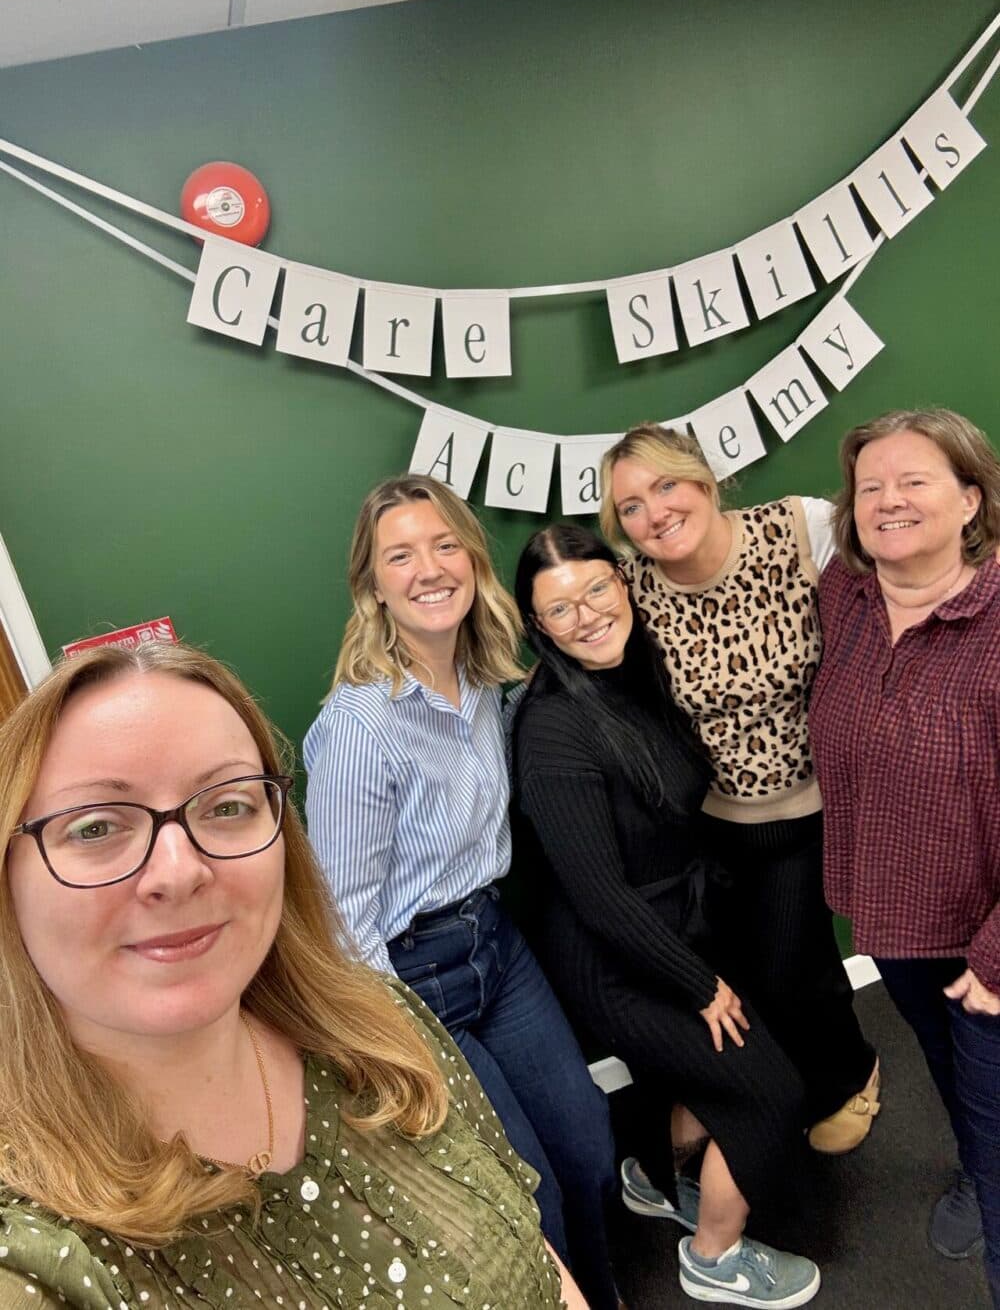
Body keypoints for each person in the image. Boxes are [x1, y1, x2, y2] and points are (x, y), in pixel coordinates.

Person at [0, 641, 585, 1310]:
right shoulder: (38, 1250)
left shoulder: (377, 1025)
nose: (179, 871)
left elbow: (522, 1238)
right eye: (98, 825)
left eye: (226, 806)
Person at [303, 474, 619, 1310]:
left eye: (445, 545)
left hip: (494, 947)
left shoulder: (486, 682)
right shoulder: (360, 729)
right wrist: (397, 1048)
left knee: (588, 1146)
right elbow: (341, 924)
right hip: (411, 976)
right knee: (526, 1187)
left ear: (473, 561)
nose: (429, 568)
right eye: (399, 555)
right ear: (373, 585)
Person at [510, 522, 821, 1308]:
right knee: (774, 1094)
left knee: (756, 1056)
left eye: (596, 590)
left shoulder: (640, 673)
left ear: (623, 584)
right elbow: (600, 897)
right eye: (560, 609)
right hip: (613, 959)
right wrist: (700, 985)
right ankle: (712, 1257)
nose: (585, 615)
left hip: (676, 927)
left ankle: (649, 1174)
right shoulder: (553, 726)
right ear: (537, 626)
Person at [599, 424, 879, 1156]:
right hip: (708, 824)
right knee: (754, 971)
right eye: (630, 506)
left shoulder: (798, 528)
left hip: (811, 806)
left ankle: (853, 1073)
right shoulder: (629, 587)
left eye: (664, 486)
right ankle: (787, 1082)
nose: (653, 514)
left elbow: (903, 563)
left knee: (795, 967)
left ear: (703, 479)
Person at [810, 407, 1000, 1305]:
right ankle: (972, 1163)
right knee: (946, 1064)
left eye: (913, 481)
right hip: (894, 915)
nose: (886, 501)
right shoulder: (841, 595)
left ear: (970, 499)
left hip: (991, 938)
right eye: (869, 485)